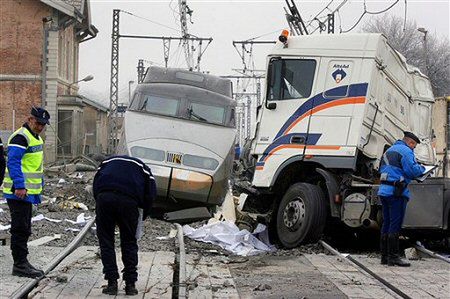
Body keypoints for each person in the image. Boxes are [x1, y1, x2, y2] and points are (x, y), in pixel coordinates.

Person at [93, 155, 156, 296]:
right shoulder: (143, 168)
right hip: (129, 202)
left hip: (105, 198)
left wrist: (101, 204)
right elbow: (151, 194)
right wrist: (143, 213)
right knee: (129, 242)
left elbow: (95, 186)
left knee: (106, 242)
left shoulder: (106, 163)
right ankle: (130, 285)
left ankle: (111, 283)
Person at [3, 107, 50, 278]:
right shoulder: (20, 137)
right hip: (18, 192)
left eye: (43, 125)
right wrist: (20, 186)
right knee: (20, 228)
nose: (40, 127)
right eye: (38, 123)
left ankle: (23, 262)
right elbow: (13, 162)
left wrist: (39, 185)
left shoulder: (34, 137)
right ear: (30, 119)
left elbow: (34, 165)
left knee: (25, 228)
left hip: (27, 191)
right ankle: (20, 265)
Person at [378, 131, 425, 267]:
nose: (413, 148)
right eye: (414, 146)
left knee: (386, 223)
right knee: (395, 224)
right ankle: (393, 257)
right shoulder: (406, 151)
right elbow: (412, 171)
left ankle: (384, 257)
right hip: (396, 192)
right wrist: (422, 168)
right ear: (410, 142)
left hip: (384, 190)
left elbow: (381, 169)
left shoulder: (389, 150)